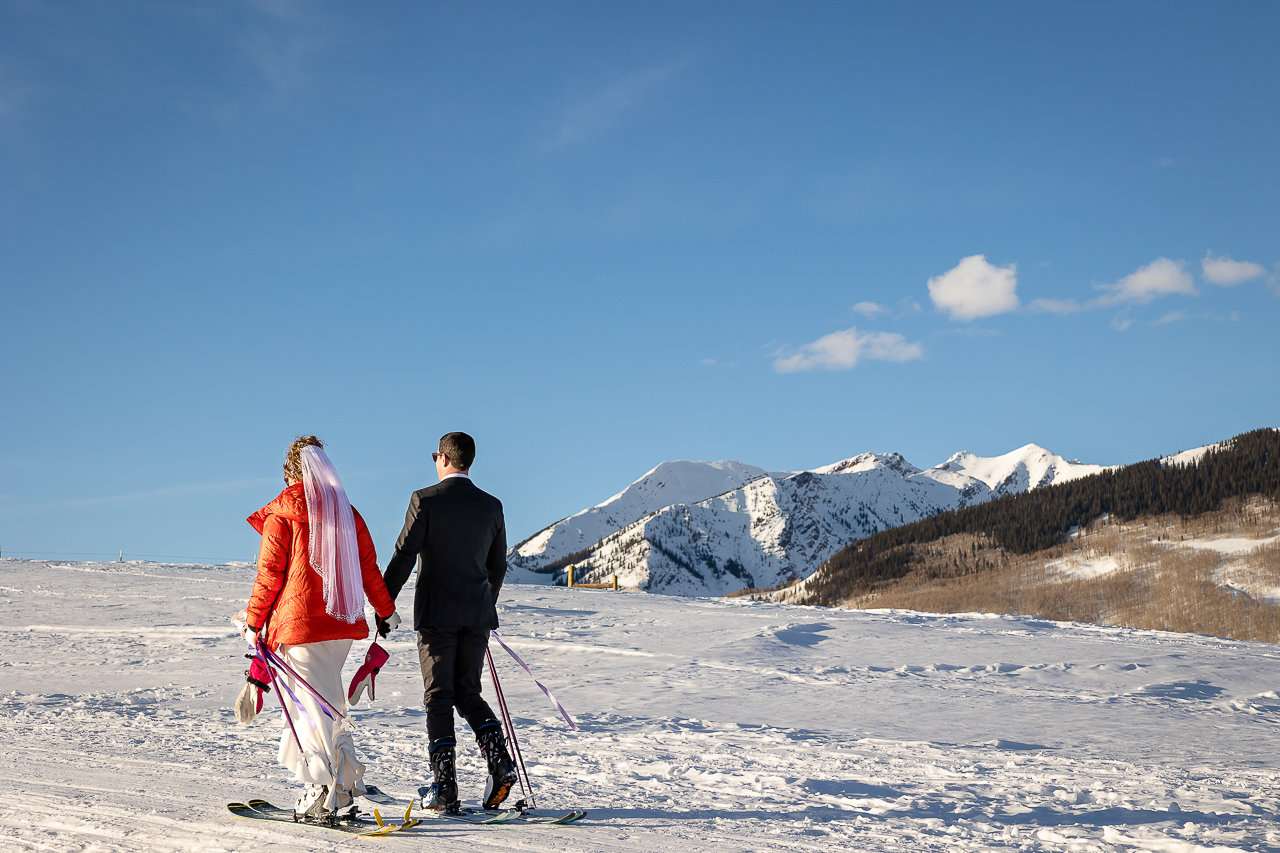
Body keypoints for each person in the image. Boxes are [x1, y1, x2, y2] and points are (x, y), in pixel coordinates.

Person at [239, 436, 401, 823]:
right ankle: (338, 785)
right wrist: (386, 611)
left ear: (290, 473)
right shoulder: (347, 513)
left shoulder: (282, 515)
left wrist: (253, 621)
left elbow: (269, 576)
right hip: (341, 625)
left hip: (300, 628)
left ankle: (320, 790)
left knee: (306, 709)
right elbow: (368, 570)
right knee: (326, 703)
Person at [382, 431, 518, 814]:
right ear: (469, 461)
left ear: (441, 458)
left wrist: (383, 604)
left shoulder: (424, 500)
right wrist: (483, 605)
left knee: (439, 697)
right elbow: (497, 567)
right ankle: (499, 763)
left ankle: (444, 786)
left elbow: (404, 555)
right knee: (467, 693)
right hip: (477, 616)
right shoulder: (492, 506)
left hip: (437, 615)